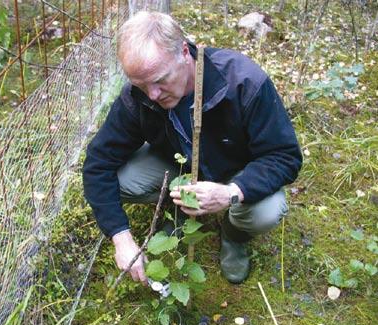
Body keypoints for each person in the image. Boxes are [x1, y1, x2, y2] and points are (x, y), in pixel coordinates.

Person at [83, 11, 302, 285]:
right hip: (180, 165)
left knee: (266, 211)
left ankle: (233, 235)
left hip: (238, 172)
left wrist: (230, 193)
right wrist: (121, 236)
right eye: (141, 84)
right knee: (120, 180)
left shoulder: (243, 83)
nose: (152, 95)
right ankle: (177, 209)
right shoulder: (138, 97)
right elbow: (97, 164)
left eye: (160, 80)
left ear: (184, 52)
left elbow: (285, 156)